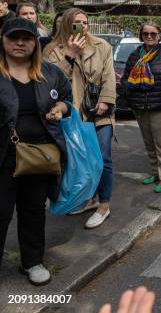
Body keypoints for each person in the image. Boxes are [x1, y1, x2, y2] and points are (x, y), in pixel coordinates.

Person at [0, 17, 72, 286]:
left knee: (33, 210)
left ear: (35, 43)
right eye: (13, 37)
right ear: (3, 40)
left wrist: (61, 108)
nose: (20, 43)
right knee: (0, 211)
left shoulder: (50, 72)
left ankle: (32, 262)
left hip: (40, 155)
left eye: (27, 38)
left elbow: (67, 98)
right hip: (4, 155)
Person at [44, 8, 116, 229]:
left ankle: (104, 204)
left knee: (102, 158)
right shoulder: (52, 50)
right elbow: (51, 82)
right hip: (71, 114)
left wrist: (106, 100)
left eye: (85, 22)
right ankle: (90, 198)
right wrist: (71, 55)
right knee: (80, 160)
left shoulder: (102, 46)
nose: (83, 27)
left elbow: (109, 77)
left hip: (99, 112)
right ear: (66, 24)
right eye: (77, 23)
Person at [121, 22, 161, 193]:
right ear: (141, 36)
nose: (149, 37)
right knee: (148, 143)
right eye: (145, 34)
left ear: (159, 35)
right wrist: (131, 90)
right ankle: (155, 173)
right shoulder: (135, 55)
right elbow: (125, 78)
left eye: (153, 34)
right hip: (140, 107)